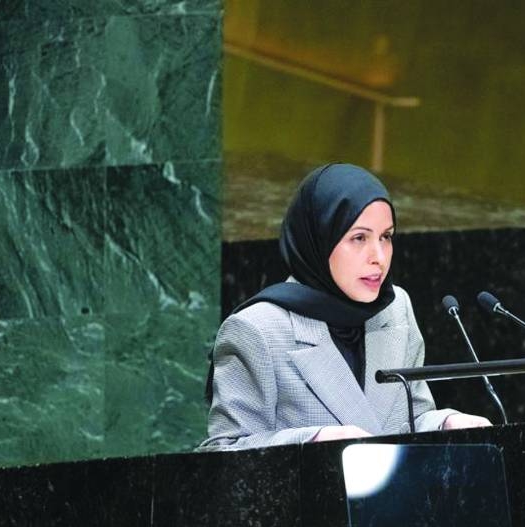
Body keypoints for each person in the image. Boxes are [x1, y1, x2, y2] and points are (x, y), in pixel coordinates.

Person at [201, 163, 491, 449]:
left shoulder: (395, 308)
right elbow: (223, 453)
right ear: (319, 239)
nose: (379, 257)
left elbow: (410, 419)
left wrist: (445, 424)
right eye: (359, 238)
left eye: (386, 237)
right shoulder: (256, 330)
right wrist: (313, 443)